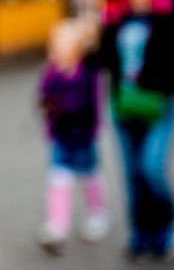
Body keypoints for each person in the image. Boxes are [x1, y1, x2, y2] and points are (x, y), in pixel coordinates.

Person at [96, 0, 174, 262]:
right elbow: (104, 59)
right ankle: (140, 234)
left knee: (152, 167)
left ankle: (166, 226)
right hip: (123, 106)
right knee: (131, 174)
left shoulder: (169, 11)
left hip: (159, 105)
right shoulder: (115, 14)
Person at [36, 18, 109, 255]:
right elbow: (44, 98)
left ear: (77, 48)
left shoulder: (88, 71)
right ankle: (58, 225)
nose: (58, 51)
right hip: (61, 135)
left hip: (83, 134)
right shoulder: (50, 73)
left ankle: (97, 214)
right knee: (59, 179)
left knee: (90, 176)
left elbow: (96, 102)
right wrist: (48, 114)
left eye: (64, 45)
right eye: (55, 45)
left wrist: (95, 127)